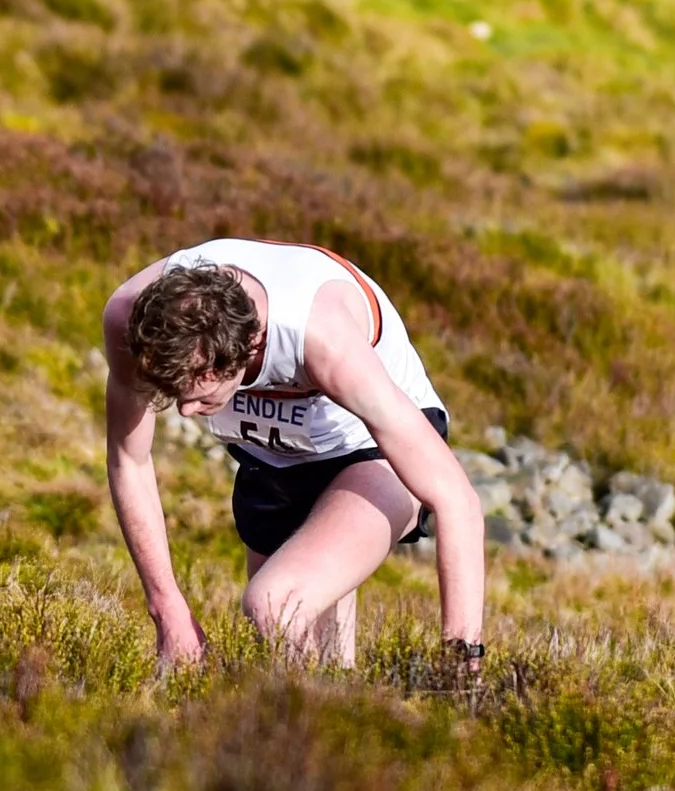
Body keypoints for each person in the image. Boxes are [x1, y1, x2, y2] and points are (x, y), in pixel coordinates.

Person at [101, 239, 483, 669]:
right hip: (273, 455)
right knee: (315, 661)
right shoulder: (132, 323)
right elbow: (128, 459)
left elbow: (457, 500)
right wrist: (167, 608)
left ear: (247, 352)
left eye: (197, 391)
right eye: (173, 391)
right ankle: (332, 726)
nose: (185, 411)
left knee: (274, 605)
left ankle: (320, 719)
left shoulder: (324, 340)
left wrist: (460, 662)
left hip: (370, 450)